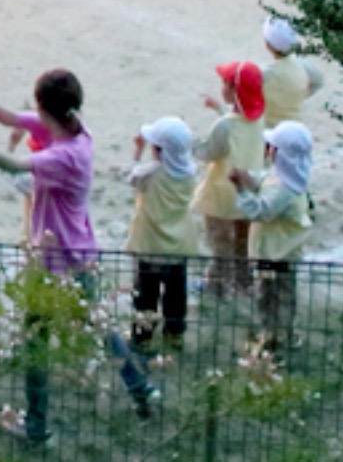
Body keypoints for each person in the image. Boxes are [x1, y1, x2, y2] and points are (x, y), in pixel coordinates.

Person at [0, 70, 151, 434]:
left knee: (36, 341)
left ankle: (37, 424)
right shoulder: (74, 131)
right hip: (80, 254)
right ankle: (141, 389)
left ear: (43, 110)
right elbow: (11, 117)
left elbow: (15, 164)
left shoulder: (64, 157)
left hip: (55, 261)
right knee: (103, 328)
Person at [228, 122, 314, 356]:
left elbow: (259, 211)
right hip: (280, 251)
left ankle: (276, 338)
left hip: (275, 255)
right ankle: (277, 333)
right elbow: (265, 181)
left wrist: (241, 190)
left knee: (272, 297)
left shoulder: (284, 190)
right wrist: (250, 179)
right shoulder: (289, 177)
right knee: (279, 295)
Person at [193, 61, 266, 298]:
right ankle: (243, 281)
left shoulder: (223, 126)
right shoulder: (259, 117)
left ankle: (217, 283)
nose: (221, 87)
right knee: (242, 242)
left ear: (234, 90)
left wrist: (188, 139)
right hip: (248, 189)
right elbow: (239, 123)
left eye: (225, 83)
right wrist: (219, 109)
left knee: (219, 241)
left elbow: (209, 152)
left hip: (222, 194)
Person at [127, 116, 198, 350]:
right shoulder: (190, 174)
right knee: (176, 294)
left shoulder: (150, 174)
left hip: (150, 245)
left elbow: (132, 178)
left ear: (159, 151)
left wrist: (137, 151)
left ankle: (143, 336)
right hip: (179, 245)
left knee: (146, 294)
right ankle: (174, 333)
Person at [260, 18, 325, 129]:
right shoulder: (303, 66)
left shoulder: (264, 73)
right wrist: (299, 95)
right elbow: (318, 82)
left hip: (266, 133)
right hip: (295, 129)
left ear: (268, 45)